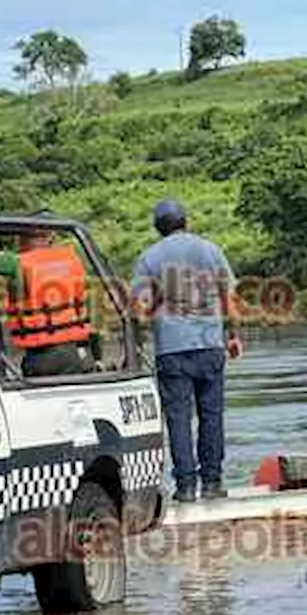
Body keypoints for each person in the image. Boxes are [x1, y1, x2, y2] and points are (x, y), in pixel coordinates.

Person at [131, 199, 243, 503]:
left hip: (170, 350)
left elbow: (139, 311)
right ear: (186, 221)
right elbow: (229, 299)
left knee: (178, 419)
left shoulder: (149, 258)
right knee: (211, 415)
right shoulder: (210, 251)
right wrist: (232, 335)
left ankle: (185, 487)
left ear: (158, 228)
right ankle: (212, 482)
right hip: (210, 346)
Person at [0, 225, 100, 377]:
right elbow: (88, 316)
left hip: (43, 358)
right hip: (78, 354)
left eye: (21, 238)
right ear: (51, 238)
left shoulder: (17, 264)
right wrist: (97, 356)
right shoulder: (72, 261)